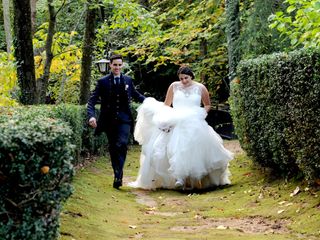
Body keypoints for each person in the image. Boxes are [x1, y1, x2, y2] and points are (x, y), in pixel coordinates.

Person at [129, 66, 233, 190]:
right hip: (176, 120)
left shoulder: (200, 88)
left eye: (186, 78)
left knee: (195, 148)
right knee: (175, 147)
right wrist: (165, 119)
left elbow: (207, 104)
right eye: (181, 78)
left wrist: (201, 114)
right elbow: (167, 105)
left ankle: (195, 179)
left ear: (191, 76)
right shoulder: (174, 86)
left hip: (194, 121)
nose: (183, 81)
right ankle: (179, 178)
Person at [87, 54, 145, 189]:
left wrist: (151, 102)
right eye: (115, 65)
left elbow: (136, 95)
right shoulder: (102, 82)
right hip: (108, 121)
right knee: (113, 148)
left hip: (125, 119)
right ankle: (117, 174)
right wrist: (91, 116)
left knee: (123, 144)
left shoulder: (128, 80)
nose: (117, 67)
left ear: (122, 65)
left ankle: (119, 172)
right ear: (110, 65)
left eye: (119, 65)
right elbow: (92, 101)